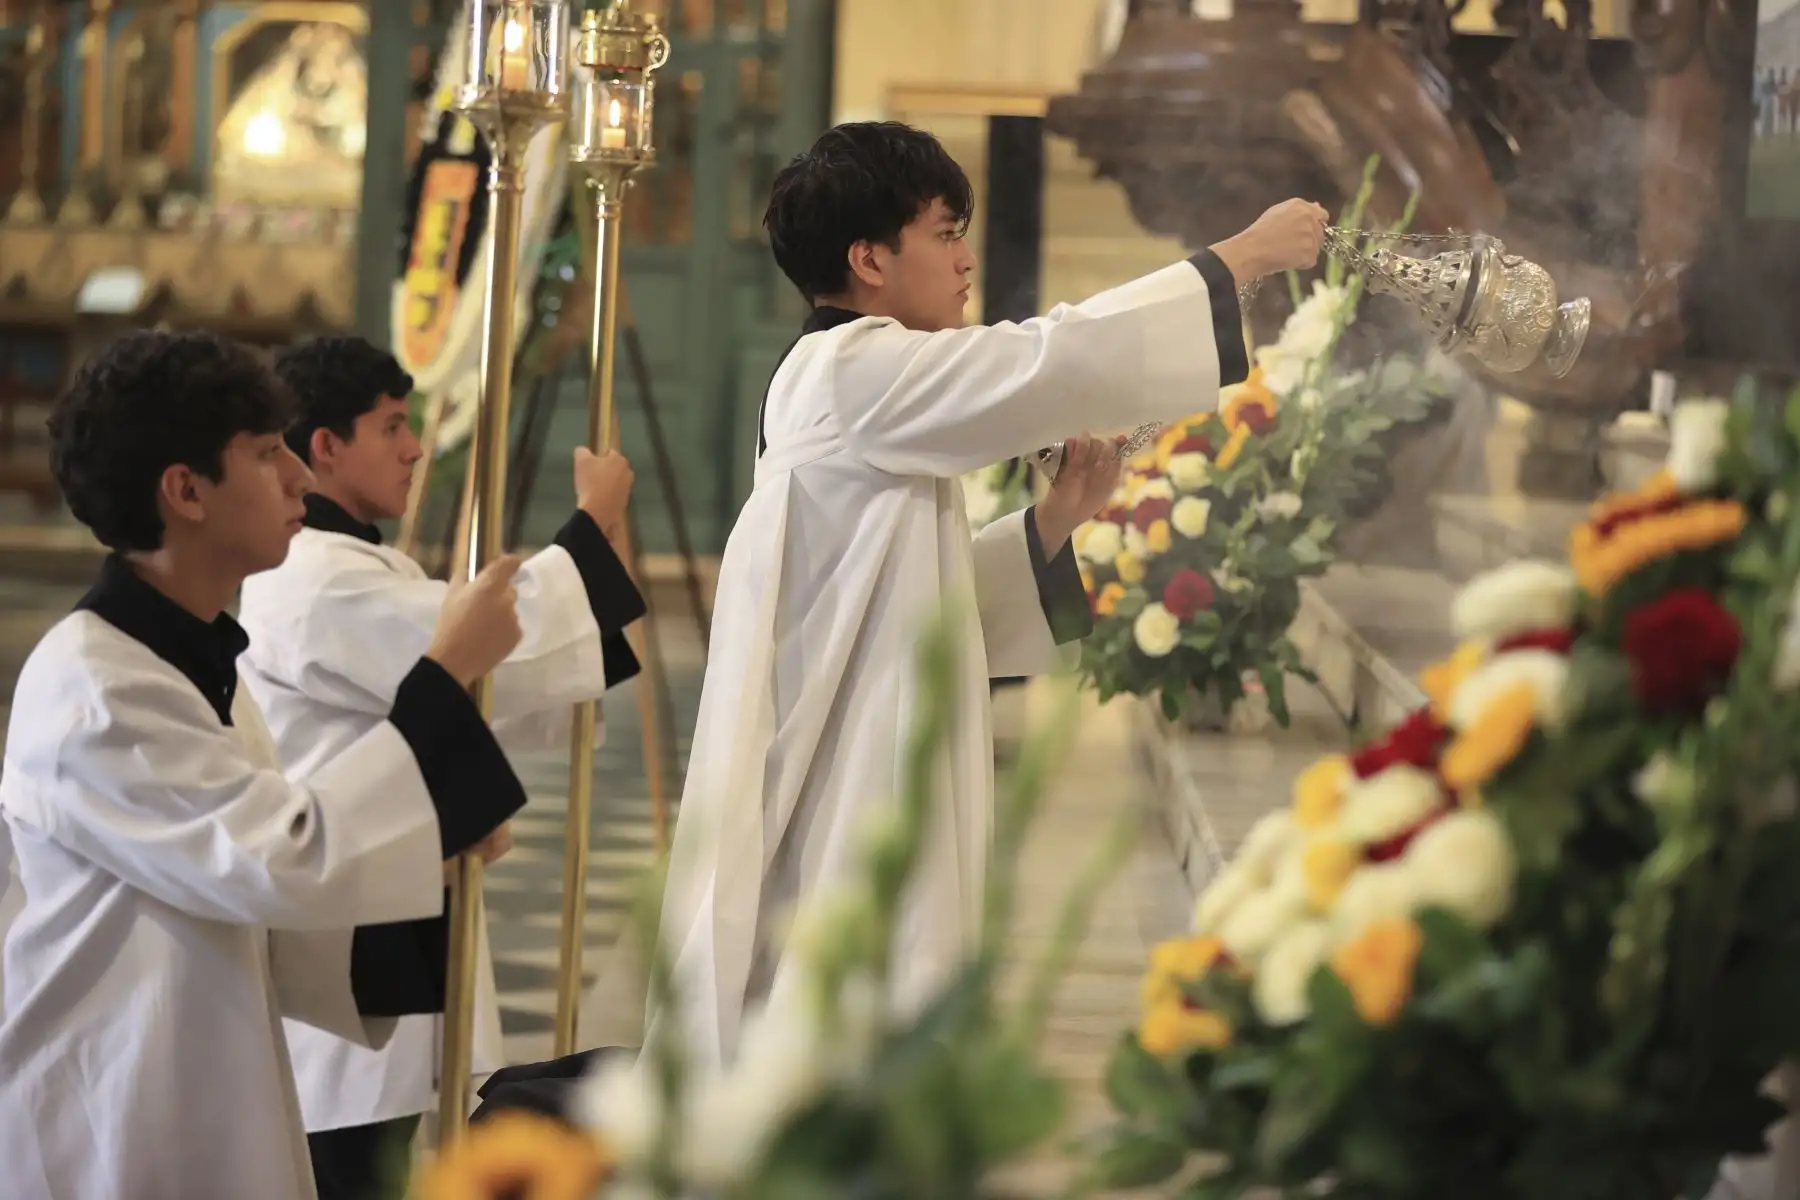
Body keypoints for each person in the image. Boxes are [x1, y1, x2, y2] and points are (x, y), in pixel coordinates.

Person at [636, 121, 1327, 1067]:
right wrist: (1239, 259)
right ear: (870, 258)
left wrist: (1054, 522)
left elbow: (909, 598)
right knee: (835, 1022)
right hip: (844, 770)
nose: (965, 261)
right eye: (945, 233)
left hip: (862, 740)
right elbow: (1048, 358)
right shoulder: (855, 369)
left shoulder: (846, 378)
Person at [0, 330, 529, 1200]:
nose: (299, 477)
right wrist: (447, 672)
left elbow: (263, 877)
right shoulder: (97, 688)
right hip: (114, 1110)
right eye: (264, 452)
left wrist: (426, 852)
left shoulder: (191, 658)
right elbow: (278, 859)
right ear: (185, 491)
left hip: (194, 1068)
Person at [235, 335, 646, 1200]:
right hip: (347, 937)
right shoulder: (317, 579)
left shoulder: (347, 565)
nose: (416, 447)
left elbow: (459, 689)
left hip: (385, 911)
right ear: (326, 448)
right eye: (392, 427)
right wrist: (590, 529)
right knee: (361, 1162)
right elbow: (477, 648)